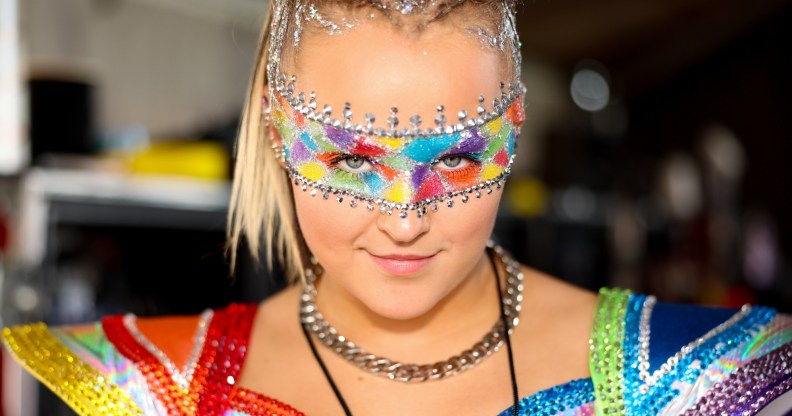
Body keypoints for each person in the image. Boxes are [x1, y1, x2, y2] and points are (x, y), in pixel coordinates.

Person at [3, 0, 792, 415]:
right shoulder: (141, 385)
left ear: (511, 135)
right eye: (349, 158)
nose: (405, 218)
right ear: (278, 132)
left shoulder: (705, 376)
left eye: (453, 157)